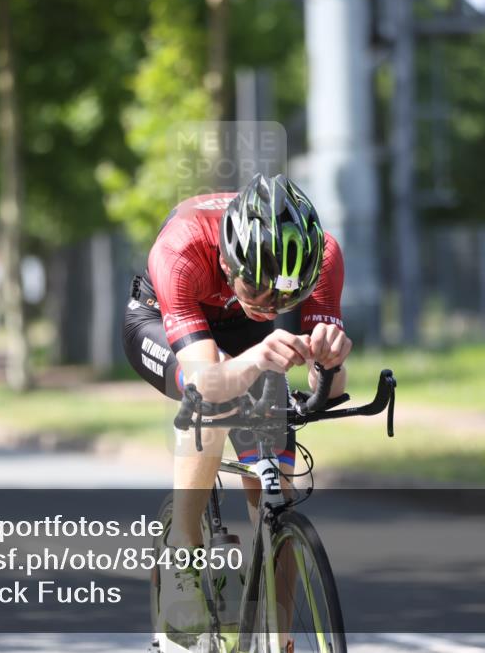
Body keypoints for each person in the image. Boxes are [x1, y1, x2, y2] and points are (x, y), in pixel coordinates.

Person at [123, 173, 353, 643]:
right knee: (213, 399)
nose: (271, 306)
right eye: (260, 290)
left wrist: (330, 360)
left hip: (241, 332)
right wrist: (254, 359)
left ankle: (278, 636)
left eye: (287, 297)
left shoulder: (322, 257)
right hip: (162, 321)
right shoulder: (180, 252)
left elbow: (328, 389)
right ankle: (182, 553)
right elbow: (207, 381)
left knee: (276, 489)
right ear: (228, 263)